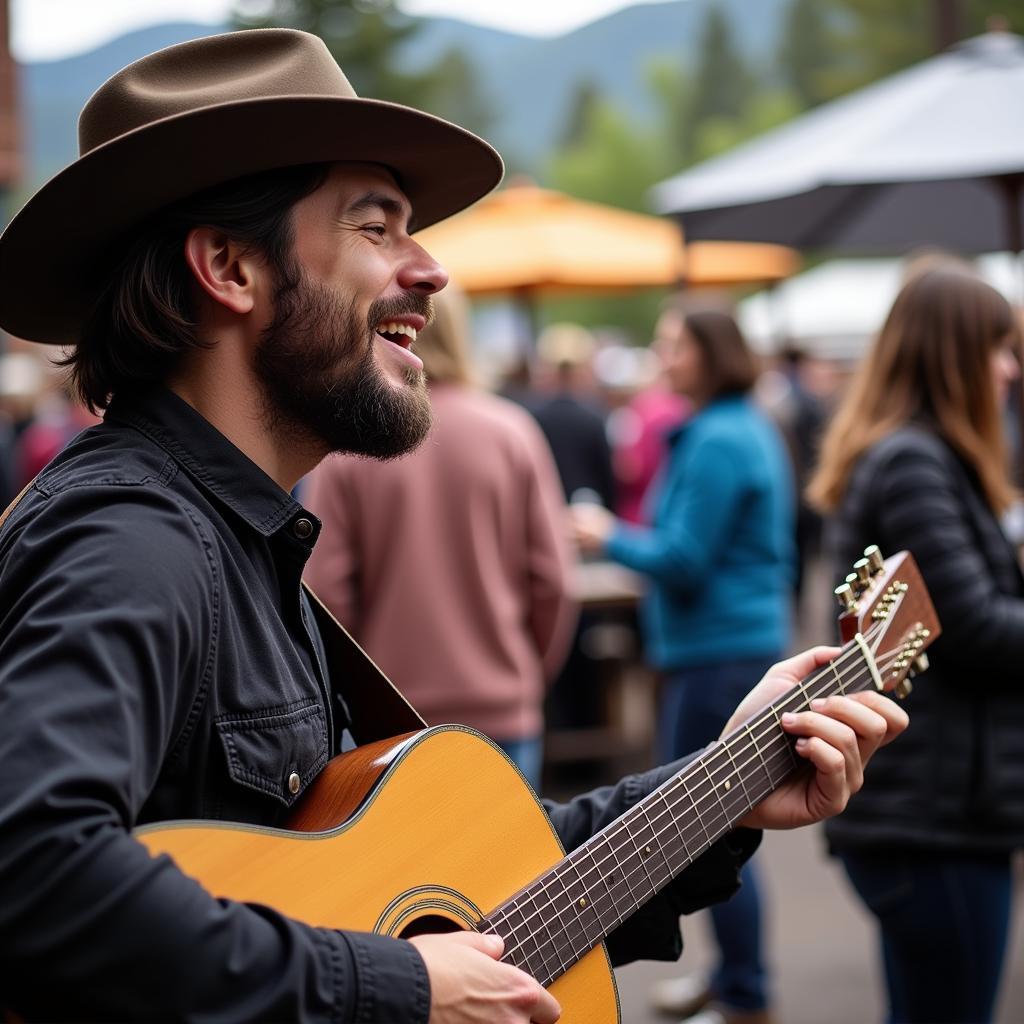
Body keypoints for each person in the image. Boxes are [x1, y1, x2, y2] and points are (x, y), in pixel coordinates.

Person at [0, 29, 906, 1024]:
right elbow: (34, 868)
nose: (430, 269)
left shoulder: (235, 540)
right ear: (229, 266)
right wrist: (400, 986)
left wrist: (725, 784)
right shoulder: (134, 536)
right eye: (375, 227)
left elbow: (476, 885)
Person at [807, 258, 1024, 1024]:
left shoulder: (916, 456)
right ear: (955, 356)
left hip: (928, 810)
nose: (1008, 370)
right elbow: (979, 632)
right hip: (934, 818)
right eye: (999, 349)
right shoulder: (915, 463)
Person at [571, 305, 797, 1024]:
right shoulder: (732, 427)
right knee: (718, 823)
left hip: (717, 655)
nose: (662, 356)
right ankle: (734, 977)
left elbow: (683, 557)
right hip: (728, 646)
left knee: (707, 827)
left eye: (674, 344)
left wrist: (606, 533)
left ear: (710, 354)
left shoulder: (719, 439)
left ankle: (743, 993)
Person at [303, 286, 576, 790]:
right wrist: (522, 670)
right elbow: (553, 580)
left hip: (389, 722)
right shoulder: (512, 431)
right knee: (523, 868)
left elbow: (326, 595)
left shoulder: (352, 447)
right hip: (503, 703)